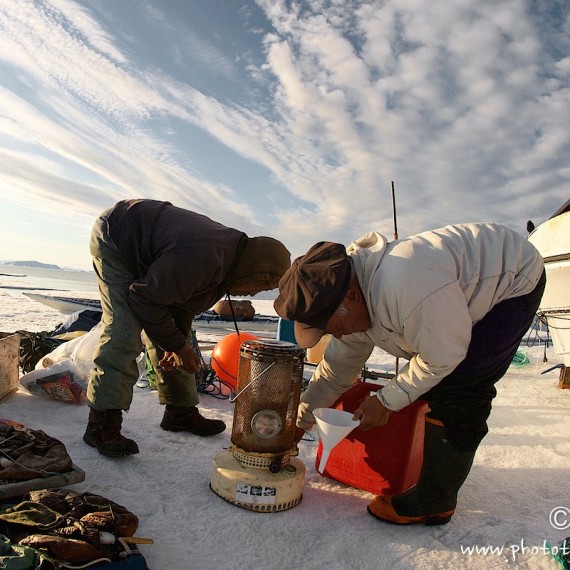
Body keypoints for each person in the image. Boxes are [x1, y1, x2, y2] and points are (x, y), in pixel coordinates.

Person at [274, 223, 545, 525]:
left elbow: (443, 355)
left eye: (329, 326)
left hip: (512, 279)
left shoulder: (408, 286)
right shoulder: (347, 301)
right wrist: (300, 419)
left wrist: (386, 401)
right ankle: (429, 462)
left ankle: (434, 501)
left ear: (350, 297)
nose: (332, 334)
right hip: (445, 299)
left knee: (462, 388)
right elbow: (336, 371)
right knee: (426, 385)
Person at [85, 198, 291, 458]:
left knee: (179, 338)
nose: (252, 293)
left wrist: (176, 346)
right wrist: (174, 345)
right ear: (254, 268)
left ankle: (179, 412)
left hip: (154, 256)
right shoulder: (206, 258)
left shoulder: (229, 268)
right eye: (259, 285)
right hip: (117, 236)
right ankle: (101, 424)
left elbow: (180, 309)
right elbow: (144, 298)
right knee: (124, 331)